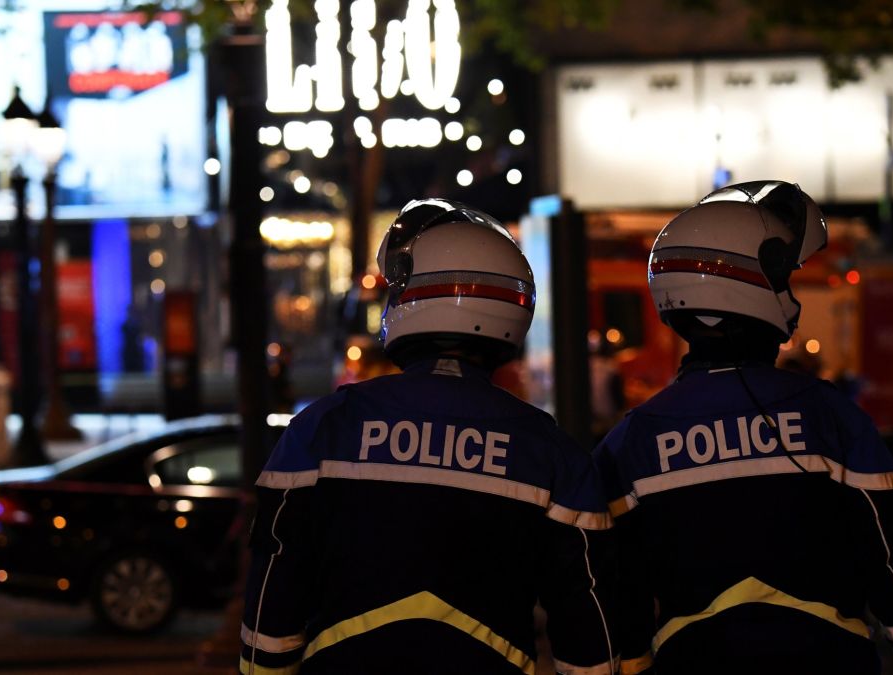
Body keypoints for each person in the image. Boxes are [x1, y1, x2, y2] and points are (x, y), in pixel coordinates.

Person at [594, 181, 893, 675]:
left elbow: (618, 597)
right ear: (754, 286)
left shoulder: (627, 444)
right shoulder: (832, 418)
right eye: (784, 279)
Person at [240, 199, 616, 675]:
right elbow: (586, 629)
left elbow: (274, 597)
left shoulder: (324, 427)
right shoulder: (551, 451)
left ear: (411, 300)